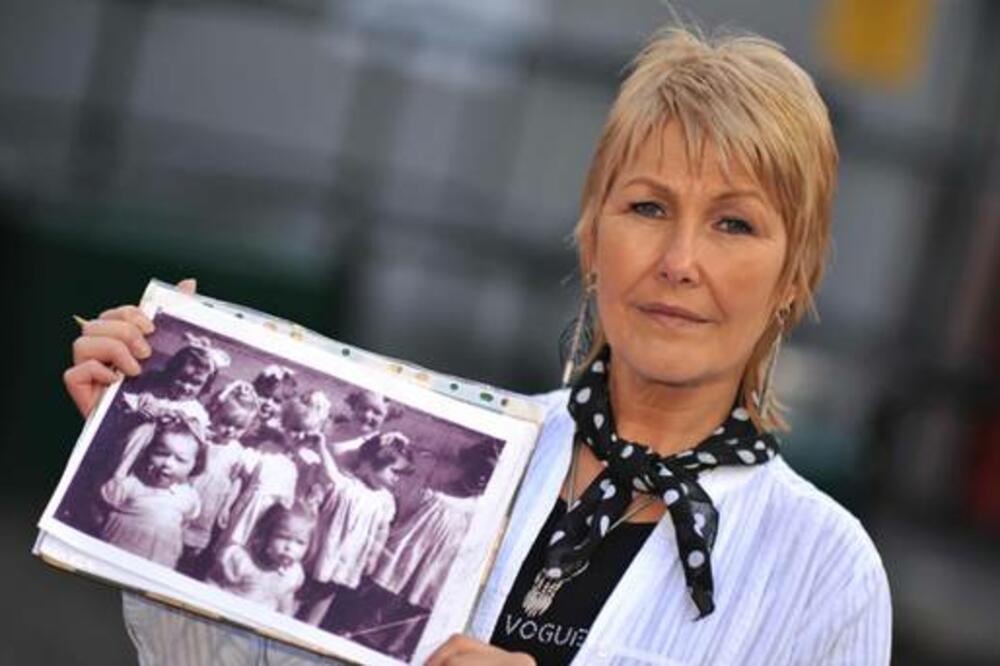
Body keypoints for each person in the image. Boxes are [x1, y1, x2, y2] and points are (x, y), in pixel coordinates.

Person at [63, 23, 891, 666]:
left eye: (734, 224)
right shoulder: (483, 462)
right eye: (646, 207)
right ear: (590, 236)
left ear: (795, 276)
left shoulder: (824, 571)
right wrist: (129, 437)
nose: (680, 262)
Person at [98, 417, 204, 569]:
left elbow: (185, 524)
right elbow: (104, 504)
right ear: (148, 452)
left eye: (180, 460)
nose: (167, 463)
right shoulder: (131, 484)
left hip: (158, 562)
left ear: (195, 465)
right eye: (160, 453)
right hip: (117, 556)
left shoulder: (189, 496)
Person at [210, 502, 316, 615]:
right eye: (283, 537)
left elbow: (285, 605)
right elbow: (212, 584)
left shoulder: (293, 573)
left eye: (300, 542)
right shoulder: (242, 560)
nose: (290, 547)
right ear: (266, 534)